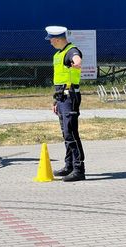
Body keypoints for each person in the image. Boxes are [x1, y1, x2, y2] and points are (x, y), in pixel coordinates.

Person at [45, 26, 85, 182]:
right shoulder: (58, 54)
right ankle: (69, 165)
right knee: (65, 132)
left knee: (71, 133)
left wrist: (77, 63)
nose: (50, 43)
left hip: (71, 97)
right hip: (61, 97)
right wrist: (55, 100)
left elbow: (77, 59)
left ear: (57, 39)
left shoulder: (71, 51)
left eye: (51, 40)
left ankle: (79, 169)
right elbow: (60, 79)